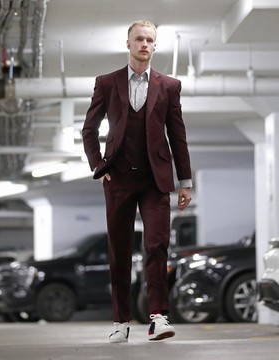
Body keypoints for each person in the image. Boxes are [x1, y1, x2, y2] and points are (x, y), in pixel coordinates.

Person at [82, 20, 192, 343]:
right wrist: (99, 167)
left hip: (155, 179)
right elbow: (89, 130)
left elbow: (178, 136)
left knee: (157, 245)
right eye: (139, 39)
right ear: (128, 43)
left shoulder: (169, 86)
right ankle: (120, 322)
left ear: (155, 46)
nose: (144, 44)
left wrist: (184, 181)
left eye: (150, 40)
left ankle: (158, 317)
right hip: (117, 179)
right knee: (119, 249)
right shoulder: (106, 82)